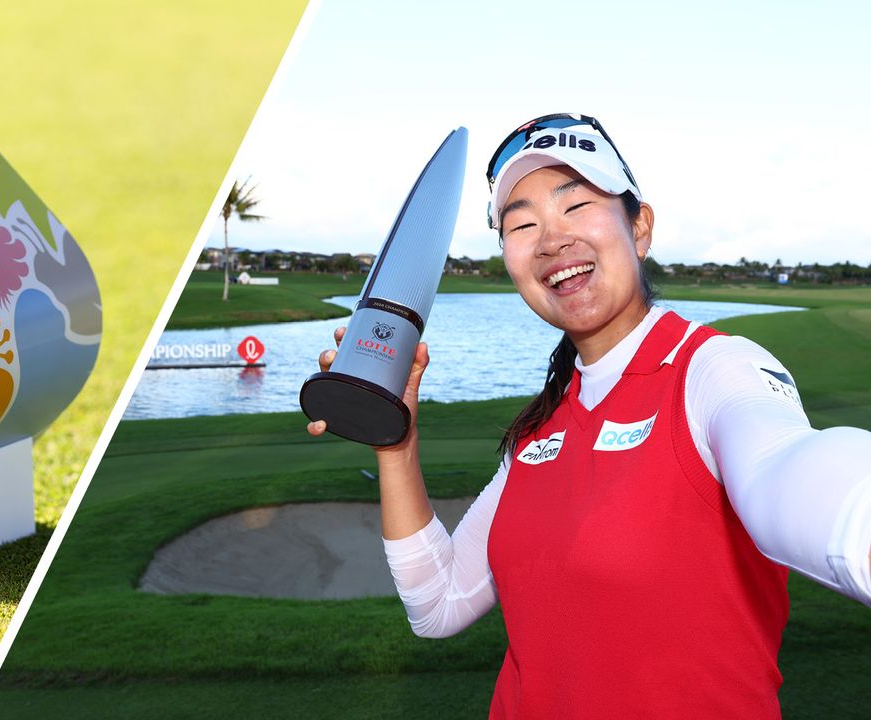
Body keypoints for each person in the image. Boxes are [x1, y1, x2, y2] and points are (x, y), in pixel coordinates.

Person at [306, 113, 871, 718]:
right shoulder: (536, 432)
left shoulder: (713, 370)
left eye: (576, 207)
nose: (552, 240)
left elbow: (785, 471)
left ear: (641, 227)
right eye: (522, 224)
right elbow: (437, 604)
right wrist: (397, 445)